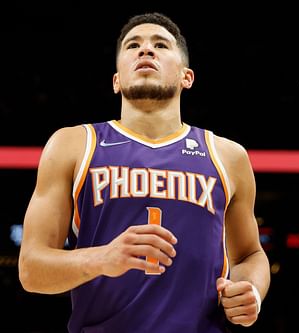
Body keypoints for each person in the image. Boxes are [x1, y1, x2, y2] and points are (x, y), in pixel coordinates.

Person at [18, 12, 270, 333]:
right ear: (116, 80)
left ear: (186, 77)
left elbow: (250, 254)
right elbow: (31, 270)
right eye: (133, 45)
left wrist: (252, 292)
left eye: (160, 45)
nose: (145, 50)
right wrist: (102, 258)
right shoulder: (74, 144)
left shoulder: (228, 155)